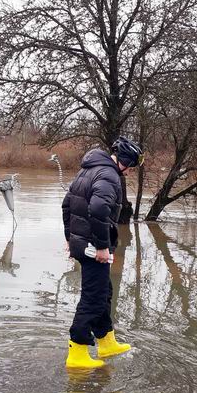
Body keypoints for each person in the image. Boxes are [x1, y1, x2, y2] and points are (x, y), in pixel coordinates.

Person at [62, 136, 144, 369]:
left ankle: (106, 341)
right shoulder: (109, 175)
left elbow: (66, 205)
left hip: (82, 242)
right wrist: (101, 247)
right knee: (94, 297)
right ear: (126, 161)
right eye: (131, 166)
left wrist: (69, 237)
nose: (129, 172)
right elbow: (98, 209)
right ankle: (77, 353)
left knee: (104, 291)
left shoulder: (88, 170)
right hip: (92, 246)